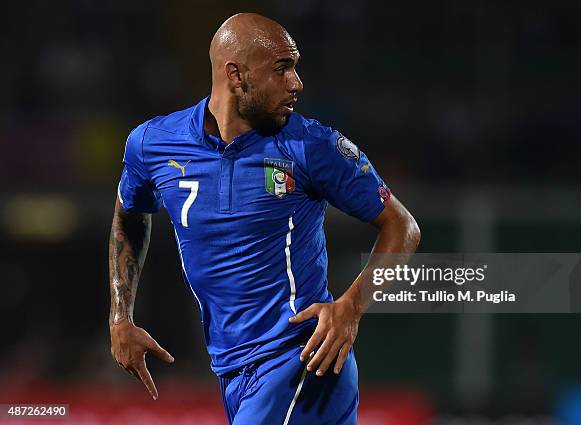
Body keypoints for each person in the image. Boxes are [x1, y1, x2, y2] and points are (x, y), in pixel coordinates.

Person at [108, 12, 420, 425]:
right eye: (282, 68)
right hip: (233, 371)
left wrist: (351, 307)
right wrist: (120, 317)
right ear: (235, 75)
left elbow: (403, 227)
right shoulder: (153, 143)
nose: (297, 83)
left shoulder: (311, 145)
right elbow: (129, 217)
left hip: (300, 358)